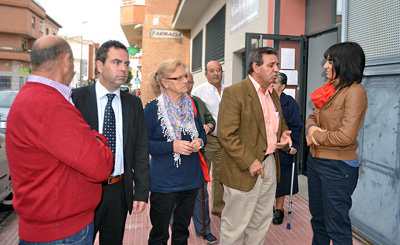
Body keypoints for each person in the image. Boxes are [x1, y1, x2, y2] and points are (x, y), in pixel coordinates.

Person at [6, 36, 114, 244]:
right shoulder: (49, 104)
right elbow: (100, 165)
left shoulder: (30, 97)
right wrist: (98, 138)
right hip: (62, 234)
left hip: (47, 228)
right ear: (66, 61)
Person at [72, 40, 150, 245]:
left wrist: (141, 191)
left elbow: (141, 150)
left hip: (118, 190)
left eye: (126, 64)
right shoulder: (76, 99)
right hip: (83, 191)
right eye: (116, 62)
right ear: (99, 66)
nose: (123, 68)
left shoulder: (133, 104)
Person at [218, 47, 292, 244]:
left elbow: (278, 122)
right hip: (243, 168)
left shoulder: (272, 93)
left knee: (260, 223)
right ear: (256, 67)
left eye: (277, 64)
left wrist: (284, 134)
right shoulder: (235, 93)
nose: (276, 69)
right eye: (271, 65)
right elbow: (226, 135)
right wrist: (249, 161)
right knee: (235, 226)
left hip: (269, 164)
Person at [305, 42, 368, 245]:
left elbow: (345, 136)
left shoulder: (355, 92)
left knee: (337, 227)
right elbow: (312, 116)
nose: (325, 66)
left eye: (330, 61)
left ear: (345, 62)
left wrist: (315, 136)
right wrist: (311, 129)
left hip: (337, 167)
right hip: (315, 162)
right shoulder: (330, 89)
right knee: (319, 222)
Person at [145, 59, 206, 244]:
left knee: (182, 231)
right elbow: (144, 144)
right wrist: (172, 146)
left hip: (190, 179)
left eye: (185, 76)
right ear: (165, 82)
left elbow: (202, 131)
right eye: (179, 77)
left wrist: (200, 141)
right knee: (159, 233)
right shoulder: (152, 108)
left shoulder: (192, 104)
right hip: (164, 182)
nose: (185, 81)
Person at [191, 60, 226, 217]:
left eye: (218, 70)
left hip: (225, 141)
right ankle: (200, 209)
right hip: (208, 140)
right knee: (203, 175)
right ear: (205, 74)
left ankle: (218, 207)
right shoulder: (199, 92)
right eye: (211, 71)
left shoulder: (228, 91)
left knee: (220, 176)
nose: (215, 73)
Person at [187, 70, 218, 243]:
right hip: (176, 161)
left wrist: (208, 126)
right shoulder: (163, 105)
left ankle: (204, 230)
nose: (187, 85)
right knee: (177, 199)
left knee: (201, 196)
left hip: (199, 158)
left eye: (191, 82)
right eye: (184, 80)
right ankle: (179, 230)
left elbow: (210, 120)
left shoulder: (197, 102)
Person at [270, 72, 303, 225]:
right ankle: (268, 206)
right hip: (267, 148)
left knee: (282, 180)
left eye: (275, 82)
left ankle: (279, 209)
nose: (272, 85)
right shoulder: (265, 100)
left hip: (284, 148)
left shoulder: (290, 103)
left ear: (282, 87)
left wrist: (294, 145)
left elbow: (297, 127)